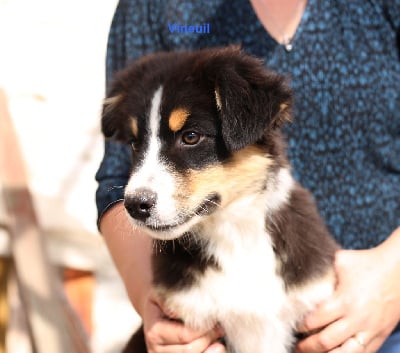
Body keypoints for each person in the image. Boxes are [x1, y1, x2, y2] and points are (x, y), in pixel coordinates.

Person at [96, 0, 400, 352]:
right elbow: (117, 177)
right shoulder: (158, 7)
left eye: (190, 137)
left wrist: (392, 278)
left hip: (381, 312)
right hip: (196, 298)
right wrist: (155, 306)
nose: (142, 186)